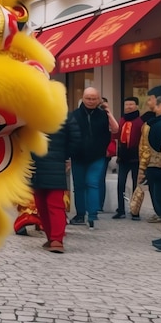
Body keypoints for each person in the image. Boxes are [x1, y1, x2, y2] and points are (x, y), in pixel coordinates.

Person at [68, 87, 119, 229]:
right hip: (78, 156)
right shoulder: (74, 115)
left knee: (92, 183)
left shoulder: (103, 115)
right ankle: (80, 214)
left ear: (99, 99)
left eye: (94, 98)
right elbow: (68, 135)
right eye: (88, 98)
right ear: (83, 99)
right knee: (79, 186)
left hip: (97, 156)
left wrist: (108, 111)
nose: (90, 101)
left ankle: (92, 215)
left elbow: (115, 129)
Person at [31, 116, 81, 253]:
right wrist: (65, 156)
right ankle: (56, 239)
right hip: (56, 164)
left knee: (42, 204)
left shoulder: (32, 114)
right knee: (54, 204)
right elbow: (76, 139)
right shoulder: (66, 116)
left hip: (35, 163)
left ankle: (53, 239)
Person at [138, 86, 161, 223]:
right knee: (157, 194)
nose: (148, 102)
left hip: (159, 165)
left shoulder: (158, 123)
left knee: (160, 195)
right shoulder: (150, 121)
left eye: (150, 99)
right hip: (153, 164)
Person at [112, 97, 144, 220]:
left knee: (137, 186)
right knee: (120, 184)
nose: (129, 107)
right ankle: (121, 210)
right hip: (123, 157)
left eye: (131, 104)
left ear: (136, 106)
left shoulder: (140, 122)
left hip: (136, 157)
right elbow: (116, 135)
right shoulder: (121, 120)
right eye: (127, 104)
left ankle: (135, 211)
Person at [145, 96, 161, 251]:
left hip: (160, 166)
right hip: (157, 166)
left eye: (157, 105)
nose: (154, 108)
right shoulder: (158, 122)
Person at [98, 97, 118, 212]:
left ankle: (99, 206)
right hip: (91, 151)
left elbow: (115, 129)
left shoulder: (107, 115)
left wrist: (108, 111)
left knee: (100, 179)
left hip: (105, 153)